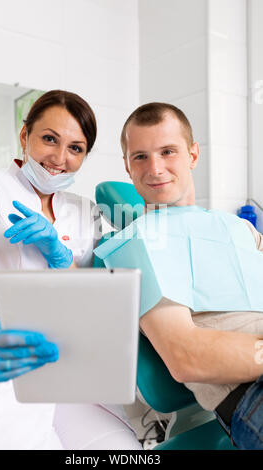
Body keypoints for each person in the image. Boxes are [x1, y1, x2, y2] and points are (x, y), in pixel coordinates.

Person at [0, 90, 142, 450]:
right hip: (3, 356)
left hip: (68, 361)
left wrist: (63, 258)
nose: (59, 158)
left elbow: (92, 297)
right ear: (24, 135)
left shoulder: (83, 209)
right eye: (49, 139)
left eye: (75, 148)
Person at [115, 102, 263, 450]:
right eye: (140, 157)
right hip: (251, 394)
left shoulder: (239, 228)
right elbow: (185, 358)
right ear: (127, 166)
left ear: (193, 155)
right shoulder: (134, 246)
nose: (155, 168)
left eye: (168, 151)